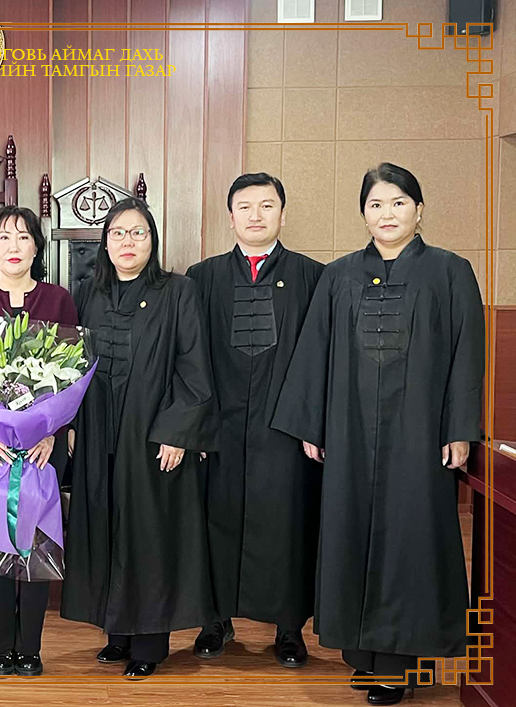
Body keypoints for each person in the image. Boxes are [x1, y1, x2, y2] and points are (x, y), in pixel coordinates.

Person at [272, 163, 485, 706]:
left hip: (420, 435)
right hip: (349, 433)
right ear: (363, 214)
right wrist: (312, 424)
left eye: (397, 202)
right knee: (351, 534)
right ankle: (365, 657)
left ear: (419, 209)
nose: (386, 214)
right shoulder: (339, 276)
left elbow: (467, 355)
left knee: (410, 540)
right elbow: (315, 351)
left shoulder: (450, 271)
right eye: (375, 204)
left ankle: (400, 663)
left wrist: (460, 428)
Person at [61, 196, 218, 679]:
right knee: (105, 529)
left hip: (151, 437)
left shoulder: (178, 291)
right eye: (118, 233)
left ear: (153, 241)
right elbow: (68, 365)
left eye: (138, 233)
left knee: (149, 537)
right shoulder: (87, 293)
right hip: (96, 435)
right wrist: (69, 422)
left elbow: (193, 368)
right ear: (105, 244)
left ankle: (149, 643)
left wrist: (177, 432)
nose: (127, 242)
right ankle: (117, 634)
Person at [185, 173, 324, 668]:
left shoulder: (313, 277)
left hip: (284, 428)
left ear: (283, 214)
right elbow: (189, 358)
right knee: (214, 520)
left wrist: (312, 425)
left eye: (267, 205)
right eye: (245, 206)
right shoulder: (201, 278)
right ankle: (214, 621)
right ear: (231, 217)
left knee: (285, 523)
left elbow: (321, 358)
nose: (256, 215)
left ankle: (289, 628)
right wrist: (194, 427)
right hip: (218, 428)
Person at [0, 205, 78, 677]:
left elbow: (70, 373)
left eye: (24, 237)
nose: (14, 246)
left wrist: (54, 433)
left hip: (43, 448)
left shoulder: (58, 301)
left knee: (36, 544)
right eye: (4, 237)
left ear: (37, 247)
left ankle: (31, 648)